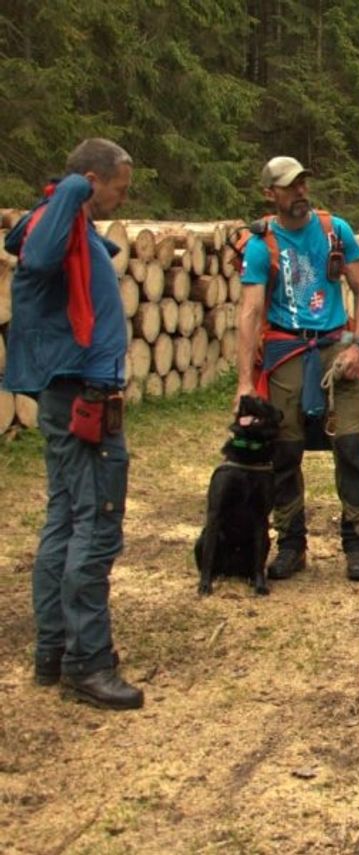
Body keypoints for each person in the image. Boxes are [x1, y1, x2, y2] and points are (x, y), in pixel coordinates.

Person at [3, 138, 143, 710]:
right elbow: (35, 259)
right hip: (80, 394)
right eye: (117, 186)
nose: (120, 197)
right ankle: (86, 662)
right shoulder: (52, 225)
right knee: (96, 523)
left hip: (77, 390)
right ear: (90, 180)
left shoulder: (71, 235)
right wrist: (74, 191)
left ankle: (54, 650)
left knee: (65, 517)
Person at [236, 156, 359, 583]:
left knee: (350, 447)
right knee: (284, 452)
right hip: (286, 352)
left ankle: (358, 542)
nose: (300, 192)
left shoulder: (336, 230)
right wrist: (245, 382)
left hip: (337, 347)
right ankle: (291, 544)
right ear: (270, 194)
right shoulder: (262, 244)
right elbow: (250, 310)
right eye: (289, 186)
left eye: (303, 184)